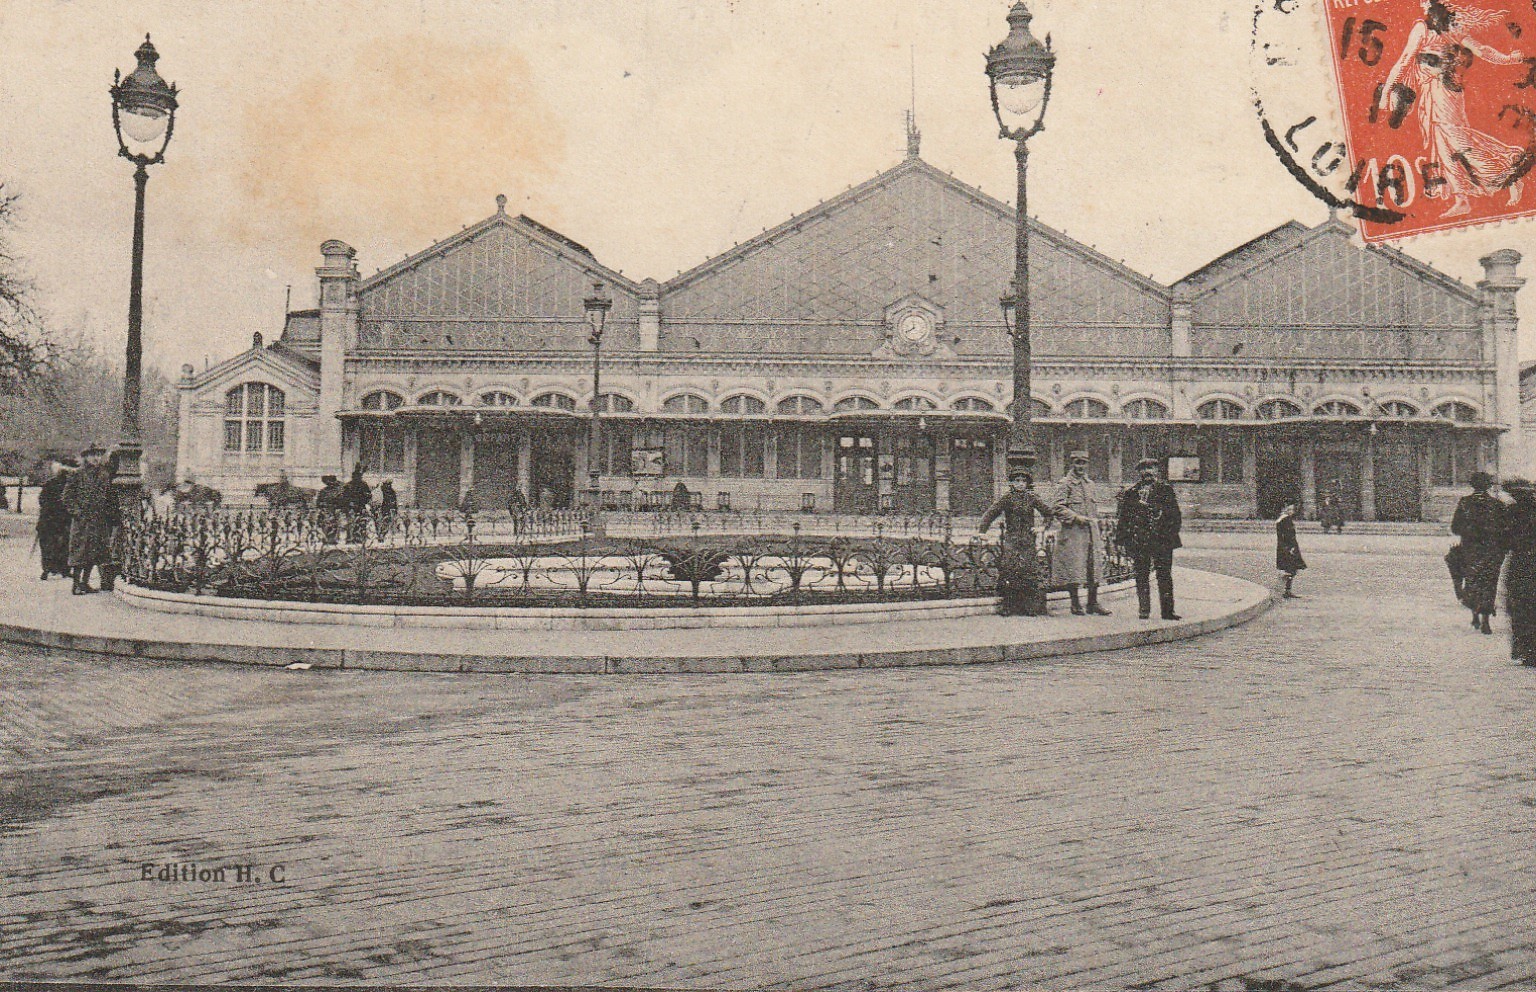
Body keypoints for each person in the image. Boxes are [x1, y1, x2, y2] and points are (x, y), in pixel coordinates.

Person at [1378, 0, 1527, 219]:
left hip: (1443, 91)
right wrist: (1507, 58)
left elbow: (1481, 50)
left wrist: (1508, 59)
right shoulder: (1431, 28)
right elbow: (1405, 61)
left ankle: (1509, 171)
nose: (1426, 7)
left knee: (1458, 141)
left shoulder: (1439, 28)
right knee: (1444, 145)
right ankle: (1462, 199)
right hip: (1435, 91)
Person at [1116, 457, 1183, 621]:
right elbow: (1124, 519)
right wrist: (1121, 541)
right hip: (1140, 541)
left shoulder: (1166, 490)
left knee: (1164, 576)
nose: (1147, 472)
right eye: (1144, 468)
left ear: (1157, 471)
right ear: (1139, 472)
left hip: (1162, 541)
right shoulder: (1131, 493)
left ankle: (1167, 611)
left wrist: (1168, 535)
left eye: (1151, 468)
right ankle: (1144, 610)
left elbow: (1175, 516)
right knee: (1141, 575)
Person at [979, 468, 1052, 616]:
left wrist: (1041, 528)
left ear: (1027, 483)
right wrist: (982, 531)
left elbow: (1048, 513)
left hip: (1027, 540)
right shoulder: (1006, 498)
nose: (1020, 484)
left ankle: (1030, 607)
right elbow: (991, 513)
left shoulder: (1032, 498)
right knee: (1010, 570)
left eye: (1023, 481)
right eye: (1017, 481)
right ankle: (1008, 607)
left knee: (1028, 571)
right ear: (1012, 483)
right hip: (1011, 539)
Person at [1052, 449, 1111, 616]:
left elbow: (1093, 509)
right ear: (1072, 464)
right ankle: (1075, 603)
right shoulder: (1065, 483)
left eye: (1083, 462)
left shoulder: (1090, 484)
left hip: (1091, 532)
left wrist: (1099, 522)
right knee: (1074, 567)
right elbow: (1057, 508)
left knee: (1094, 566)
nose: (1081, 466)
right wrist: (1077, 518)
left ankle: (1093, 603)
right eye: (1077, 462)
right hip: (1073, 533)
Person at [1451, 470, 1507, 634]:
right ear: (1489, 485)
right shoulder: (1497, 505)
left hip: (1470, 551)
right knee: (1489, 584)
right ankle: (1486, 621)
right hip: (1491, 551)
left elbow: (1455, 527)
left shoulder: (1464, 503)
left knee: (1472, 582)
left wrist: (1469, 532)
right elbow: (1504, 529)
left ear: (1472, 485)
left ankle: (1475, 615)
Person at [61, 445, 119, 595]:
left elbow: (107, 496)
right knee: (79, 552)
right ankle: (75, 584)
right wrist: (77, 512)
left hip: (98, 519)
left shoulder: (104, 475)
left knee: (94, 553)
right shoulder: (77, 474)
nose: (96, 458)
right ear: (86, 456)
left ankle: (85, 583)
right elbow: (67, 497)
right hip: (82, 520)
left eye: (99, 455)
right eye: (93, 455)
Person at [1500, 477, 1536, 666]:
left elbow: (1504, 541)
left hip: (1521, 564)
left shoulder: (1512, 512)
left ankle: (1527, 650)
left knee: (1521, 607)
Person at [36, 460, 74, 581]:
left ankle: (48, 569)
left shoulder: (49, 484)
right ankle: (62, 569)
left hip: (48, 520)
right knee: (63, 544)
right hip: (60, 520)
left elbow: (41, 501)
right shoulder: (69, 485)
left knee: (49, 545)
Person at [1276, 503, 1307, 599]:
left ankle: (1286, 589)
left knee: (1290, 568)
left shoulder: (1280, 520)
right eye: (1290, 509)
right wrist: (1291, 548)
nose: (1292, 511)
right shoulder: (1286, 520)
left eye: (1292, 509)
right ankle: (1286, 589)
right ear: (1285, 509)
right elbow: (1288, 535)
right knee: (1291, 568)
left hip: (1283, 547)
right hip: (1289, 547)